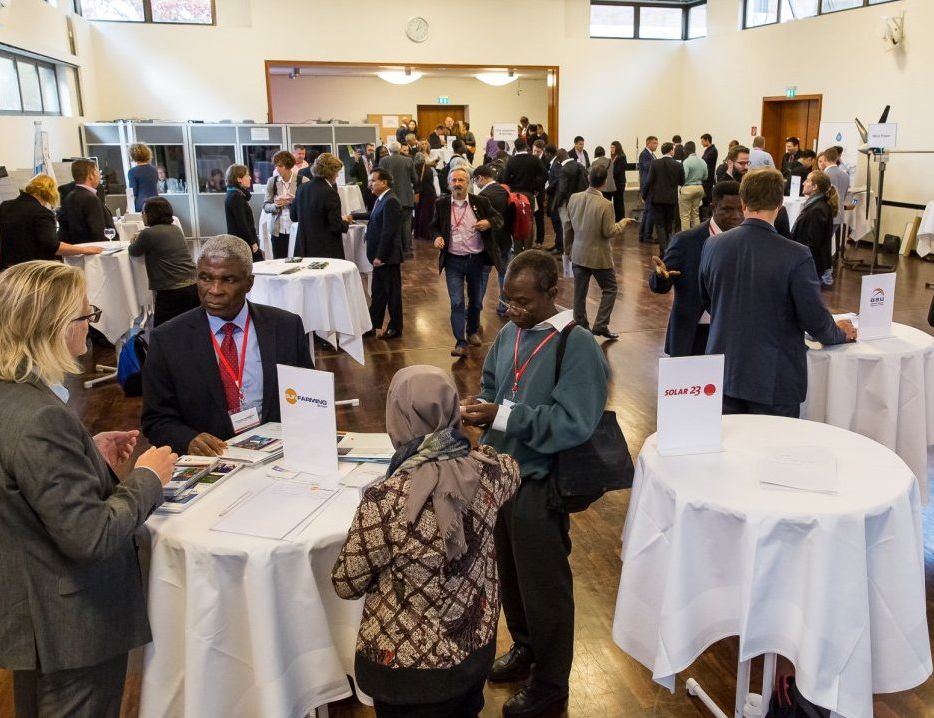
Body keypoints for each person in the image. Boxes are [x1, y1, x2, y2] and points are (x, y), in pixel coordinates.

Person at [0, 260, 177, 718]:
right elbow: (92, 537)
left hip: (15, 604)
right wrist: (148, 477)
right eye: (86, 316)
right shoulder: (39, 417)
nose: (90, 327)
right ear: (53, 327)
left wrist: (86, 453)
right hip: (67, 621)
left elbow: (10, 481)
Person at [459, 250, 609, 718]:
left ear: (553, 293)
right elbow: (491, 385)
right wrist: (479, 404)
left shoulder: (577, 344)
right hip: (499, 476)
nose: (514, 311)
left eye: (524, 302)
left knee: (546, 589)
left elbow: (575, 422)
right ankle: (524, 647)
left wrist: (503, 415)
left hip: (540, 483)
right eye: (507, 302)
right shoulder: (509, 334)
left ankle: (551, 683)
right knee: (511, 578)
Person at [333, 366, 521, 718]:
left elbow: (346, 583)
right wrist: (458, 441)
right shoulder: (495, 473)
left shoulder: (385, 499)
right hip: (473, 651)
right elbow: (511, 466)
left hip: (405, 670)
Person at [700, 169, 857, 416]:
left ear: (743, 202)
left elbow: (709, 298)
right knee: (772, 451)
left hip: (722, 370)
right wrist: (839, 333)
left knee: (729, 450)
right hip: (773, 378)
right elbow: (813, 318)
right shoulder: (796, 254)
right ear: (780, 203)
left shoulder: (713, 244)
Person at [142, 234, 314, 455]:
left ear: (249, 283)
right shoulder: (167, 339)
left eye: (228, 280)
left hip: (278, 456)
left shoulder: (286, 328)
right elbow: (156, 419)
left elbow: (307, 399)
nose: (214, 290)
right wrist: (188, 440)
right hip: (212, 461)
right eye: (205, 278)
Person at [650, 180, 744, 357]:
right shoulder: (686, 241)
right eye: (728, 209)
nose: (736, 216)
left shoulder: (747, 241)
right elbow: (659, 284)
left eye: (741, 209)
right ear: (713, 207)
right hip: (694, 333)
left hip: (734, 335)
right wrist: (662, 277)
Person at [431, 167, 503, 358]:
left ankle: (472, 331)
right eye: (454, 181)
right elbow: (434, 226)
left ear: (468, 183)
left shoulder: (481, 201)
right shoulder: (442, 204)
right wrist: (437, 237)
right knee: (456, 302)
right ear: (448, 184)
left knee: (476, 300)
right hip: (453, 260)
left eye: (461, 180)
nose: (457, 184)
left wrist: (488, 222)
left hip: (476, 259)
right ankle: (460, 342)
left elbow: (498, 219)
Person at [0, 173, 101, 270]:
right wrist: (85, 250)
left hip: (8, 272)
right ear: (50, 193)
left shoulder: (5, 206)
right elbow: (53, 246)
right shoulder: (42, 214)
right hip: (33, 273)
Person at [566, 163, 633, 339]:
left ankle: (580, 325)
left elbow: (567, 226)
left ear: (588, 178)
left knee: (579, 292)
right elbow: (609, 231)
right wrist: (623, 222)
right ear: (604, 183)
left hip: (578, 252)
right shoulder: (605, 204)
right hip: (599, 256)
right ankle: (601, 325)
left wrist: (568, 250)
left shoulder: (574, 198)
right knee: (610, 288)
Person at [129, 197, 199, 327]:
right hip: (193, 284)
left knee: (162, 331)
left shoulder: (148, 234)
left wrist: (134, 239)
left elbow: (133, 251)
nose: (142, 216)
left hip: (171, 289)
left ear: (152, 214)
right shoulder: (175, 229)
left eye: (143, 212)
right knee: (190, 326)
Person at [365, 167, 405, 339]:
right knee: (379, 292)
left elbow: (388, 232)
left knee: (392, 294)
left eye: (373, 180)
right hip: (380, 257)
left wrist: (380, 256)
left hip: (387, 258)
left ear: (384, 182)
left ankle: (395, 328)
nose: (370, 184)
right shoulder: (382, 199)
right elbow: (375, 218)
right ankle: (373, 325)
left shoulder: (391, 201)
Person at [291, 152, 352, 260]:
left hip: (304, 248)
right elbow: (336, 226)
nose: (338, 175)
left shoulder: (302, 188)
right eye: (337, 172)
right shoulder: (330, 192)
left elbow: (294, 217)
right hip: (325, 250)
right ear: (331, 172)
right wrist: (346, 221)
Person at [473, 165, 515, 317]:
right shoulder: (504, 191)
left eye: (475, 181)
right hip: (505, 240)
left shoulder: (484, 196)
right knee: (504, 275)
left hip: (489, 243)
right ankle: (503, 307)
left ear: (481, 178)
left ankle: (475, 307)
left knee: (482, 276)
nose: (476, 185)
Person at [791, 170, 839, 284]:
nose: (803, 183)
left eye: (807, 181)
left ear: (815, 187)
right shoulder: (816, 205)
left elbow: (813, 242)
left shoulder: (818, 209)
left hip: (811, 266)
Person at [502, 138, 547, 248]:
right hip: (529, 194)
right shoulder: (534, 159)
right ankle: (527, 248)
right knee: (529, 222)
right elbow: (545, 174)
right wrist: (536, 185)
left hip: (515, 195)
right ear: (526, 146)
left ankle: (517, 248)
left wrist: (513, 185)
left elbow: (505, 180)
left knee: (516, 221)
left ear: (515, 148)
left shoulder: (511, 161)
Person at [58, 158, 114, 245]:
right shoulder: (90, 199)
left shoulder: (69, 196)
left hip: (76, 249)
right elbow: (98, 232)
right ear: (90, 176)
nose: (99, 175)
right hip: (92, 251)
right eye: (97, 172)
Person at [261, 150, 302, 259]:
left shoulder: (302, 180)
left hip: (296, 228)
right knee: (279, 263)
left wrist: (294, 201)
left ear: (288, 166)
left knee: (298, 261)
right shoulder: (272, 182)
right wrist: (275, 205)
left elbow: (308, 206)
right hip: (277, 230)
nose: (276, 169)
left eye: (279, 166)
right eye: (276, 166)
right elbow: (265, 206)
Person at [379, 141, 419, 255]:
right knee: (406, 223)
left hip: (390, 197)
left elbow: (380, 178)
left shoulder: (383, 161)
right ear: (400, 149)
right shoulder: (408, 160)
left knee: (392, 223)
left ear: (389, 150)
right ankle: (407, 248)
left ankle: (396, 248)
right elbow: (415, 179)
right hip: (406, 197)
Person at [644, 141, 683, 252]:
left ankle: (664, 249)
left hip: (657, 199)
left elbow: (649, 181)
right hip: (671, 199)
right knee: (669, 224)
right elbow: (682, 181)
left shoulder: (655, 163)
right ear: (671, 151)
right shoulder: (678, 165)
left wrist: (645, 195)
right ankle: (666, 249)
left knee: (659, 225)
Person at [552, 148, 589, 255]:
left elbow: (562, 189)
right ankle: (579, 250)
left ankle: (567, 253)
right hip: (580, 201)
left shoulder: (564, 169)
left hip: (567, 203)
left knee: (566, 228)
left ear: (558, 159)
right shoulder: (579, 165)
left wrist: (558, 203)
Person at [223, 163, 261, 259]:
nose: (250, 178)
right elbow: (242, 223)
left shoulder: (233, 194)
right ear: (239, 179)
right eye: (247, 175)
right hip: (243, 243)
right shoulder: (236, 197)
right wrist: (252, 242)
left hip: (240, 242)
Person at [679, 142, 708, 230]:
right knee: (695, 214)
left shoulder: (686, 162)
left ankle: (685, 238)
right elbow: (706, 176)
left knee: (685, 216)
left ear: (686, 150)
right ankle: (696, 235)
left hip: (688, 189)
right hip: (699, 188)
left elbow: (684, 177)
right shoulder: (702, 161)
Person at [638, 136, 659, 244]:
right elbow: (649, 168)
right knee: (650, 212)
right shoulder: (644, 155)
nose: (656, 145)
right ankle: (647, 236)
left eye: (657, 143)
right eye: (655, 143)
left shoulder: (652, 155)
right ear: (648, 143)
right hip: (648, 187)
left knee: (647, 212)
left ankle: (643, 235)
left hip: (651, 187)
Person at [127, 142, 159, 212]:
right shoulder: (154, 170)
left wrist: (128, 209)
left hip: (142, 205)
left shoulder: (132, 172)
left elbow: (133, 193)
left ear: (132, 155)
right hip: (157, 204)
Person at [608, 140, 629, 222]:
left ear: (617, 148)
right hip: (614, 183)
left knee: (619, 203)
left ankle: (620, 220)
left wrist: (609, 173)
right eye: (611, 147)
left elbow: (618, 171)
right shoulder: (614, 157)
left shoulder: (621, 157)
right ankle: (617, 220)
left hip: (619, 183)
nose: (611, 149)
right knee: (615, 203)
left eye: (613, 147)